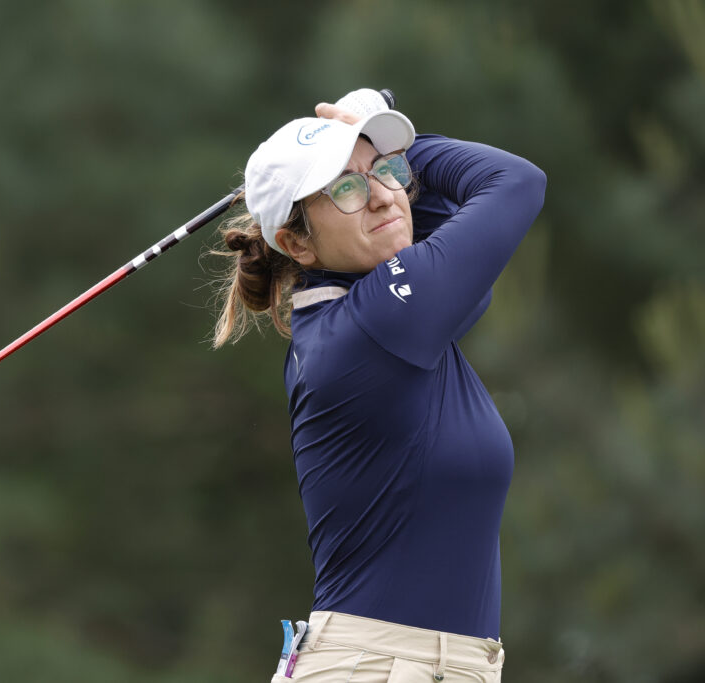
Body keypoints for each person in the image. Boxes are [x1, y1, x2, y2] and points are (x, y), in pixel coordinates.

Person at [211, 89, 546, 682]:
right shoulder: (378, 324)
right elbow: (514, 183)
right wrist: (402, 143)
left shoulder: (374, 317)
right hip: (381, 667)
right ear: (298, 243)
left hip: (418, 666)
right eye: (345, 188)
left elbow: (456, 245)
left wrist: (376, 152)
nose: (382, 195)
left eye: (387, 172)